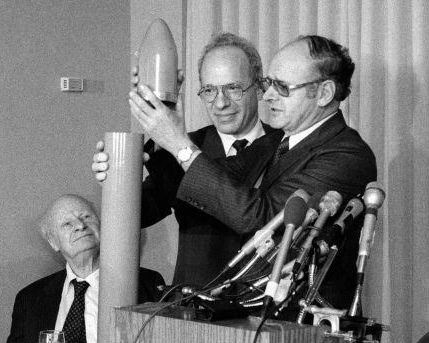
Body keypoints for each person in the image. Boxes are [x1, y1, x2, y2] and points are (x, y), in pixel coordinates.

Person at [129, 34, 377, 312]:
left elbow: (261, 217)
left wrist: (178, 144)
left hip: (297, 329)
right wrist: (131, 160)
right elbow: (217, 180)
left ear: (324, 93)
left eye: (282, 87)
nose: (269, 94)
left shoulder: (347, 153)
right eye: (270, 84)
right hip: (235, 320)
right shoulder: (278, 144)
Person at [93, 32, 279, 288]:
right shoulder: (186, 144)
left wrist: (178, 144)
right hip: (193, 304)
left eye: (233, 88)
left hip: (259, 304)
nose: (221, 103)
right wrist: (116, 180)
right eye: (210, 90)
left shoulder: (285, 146)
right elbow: (140, 214)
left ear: (259, 89)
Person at [0, 194, 164, 343]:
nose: (80, 226)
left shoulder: (147, 284)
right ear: (53, 241)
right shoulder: (31, 298)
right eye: (67, 224)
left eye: (86, 217)